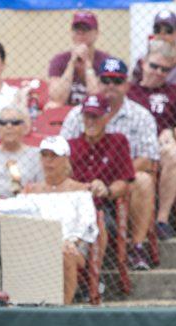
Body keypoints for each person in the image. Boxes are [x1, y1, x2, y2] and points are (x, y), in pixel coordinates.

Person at [62, 59, 159, 262]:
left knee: (143, 179)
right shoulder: (76, 115)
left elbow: (148, 159)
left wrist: (114, 176)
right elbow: (62, 156)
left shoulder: (141, 116)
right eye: (105, 80)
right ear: (97, 82)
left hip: (123, 182)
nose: (111, 86)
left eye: (117, 81)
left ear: (126, 85)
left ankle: (137, 247)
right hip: (82, 184)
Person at [127, 44, 176, 240]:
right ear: (143, 63)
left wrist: (172, 132)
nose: (159, 72)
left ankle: (162, 220)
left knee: (174, 152)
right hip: (131, 149)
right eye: (154, 66)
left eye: (165, 69)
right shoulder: (128, 91)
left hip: (159, 147)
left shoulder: (175, 92)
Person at [22, 136, 97, 304]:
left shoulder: (80, 190)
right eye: (44, 155)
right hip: (37, 244)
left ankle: (63, 306)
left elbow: (88, 223)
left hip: (72, 246)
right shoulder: (30, 191)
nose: (48, 161)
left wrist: (73, 241)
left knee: (65, 254)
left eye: (54, 156)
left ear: (66, 159)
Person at [47, 11, 112, 108]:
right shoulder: (60, 60)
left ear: (96, 33)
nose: (80, 33)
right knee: (53, 105)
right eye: (77, 29)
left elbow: (99, 97)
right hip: (67, 110)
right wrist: (71, 64)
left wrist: (88, 65)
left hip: (95, 110)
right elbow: (57, 97)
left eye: (86, 29)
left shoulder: (106, 61)